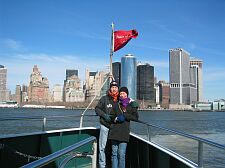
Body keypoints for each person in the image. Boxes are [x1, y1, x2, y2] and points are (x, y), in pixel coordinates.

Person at [108, 87, 139, 168]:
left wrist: (125, 115)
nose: (122, 95)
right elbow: (110, 116)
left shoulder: (132, 105)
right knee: (114, 154)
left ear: (127, 94)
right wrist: (116, 119)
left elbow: (135, 117)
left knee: (121, 154)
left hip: (124, 132)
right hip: (114, 131)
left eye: (124, 93)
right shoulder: (116, 104)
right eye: (121, 93)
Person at [95, 80, 119, 168]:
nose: (114, 89)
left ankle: (113, 165)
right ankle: (102, 165)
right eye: (112, 87)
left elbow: (129, 102)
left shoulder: (120, 99)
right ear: (110, 88)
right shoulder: (104, 98)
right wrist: (104, 115)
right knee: (102, 147)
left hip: (115, 127)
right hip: (104, 125)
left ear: (118, 89)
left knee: (114, 149)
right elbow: (97, 109)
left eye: (115, 87)